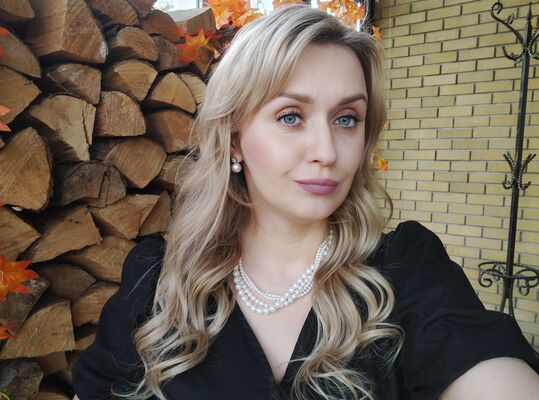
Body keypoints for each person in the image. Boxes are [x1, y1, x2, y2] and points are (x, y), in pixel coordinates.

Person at [72, 4, 539, 400]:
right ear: (234, 139)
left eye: (347, 119)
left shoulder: (407, 270)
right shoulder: (158, 281)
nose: (327, 151)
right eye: (291, 116)